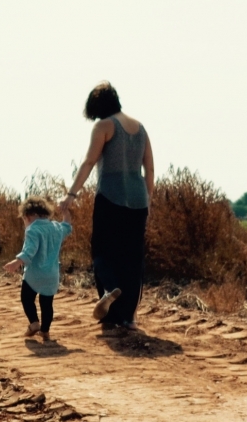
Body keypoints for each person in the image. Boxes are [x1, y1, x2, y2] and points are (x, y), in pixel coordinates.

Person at [59, 81, 154, 332]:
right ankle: (130, 319)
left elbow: (90, 161)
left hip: (110, 198)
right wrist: (147, 199)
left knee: (102, 250)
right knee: (133, 259)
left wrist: (71, 194)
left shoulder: (103, 126)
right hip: (137, 201)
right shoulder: (141, 128)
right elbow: (150, 168)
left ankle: (110, 293)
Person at [3, 196, 72, 341]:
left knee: (26, 298)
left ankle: (34, 323)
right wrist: (66, 213)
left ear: (27, 216)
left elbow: (30, 250)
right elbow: (67, 226)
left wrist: (17, 262)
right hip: (52, 275)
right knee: (47, 304)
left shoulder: (33, 230)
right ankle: (45, 331)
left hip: (34, 274)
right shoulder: (56, 227)